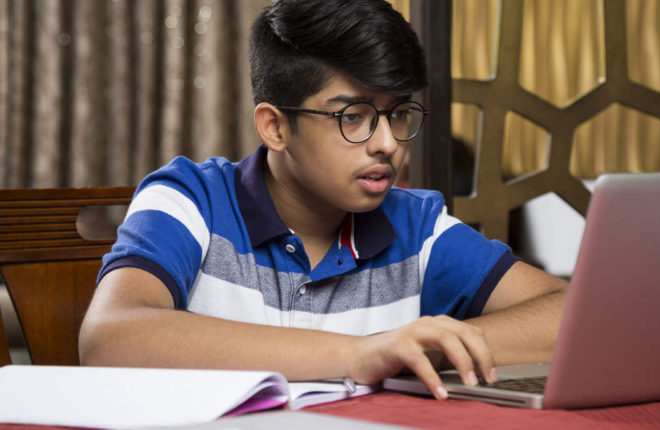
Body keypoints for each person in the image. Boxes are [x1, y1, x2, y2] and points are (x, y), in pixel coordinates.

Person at [79, 0, 568, 401]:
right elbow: (110, 337)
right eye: (352, 116)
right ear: (275, 126)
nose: (387, 143)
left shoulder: (415, 223)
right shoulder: (191, 199)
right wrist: (362, 353)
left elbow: (566, 314)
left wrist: (425, 349)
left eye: (398, 114)